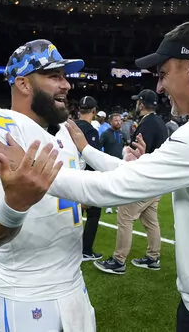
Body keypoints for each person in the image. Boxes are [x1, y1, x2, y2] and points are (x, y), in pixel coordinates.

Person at [0, 19, 189, 332]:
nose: (159, 88)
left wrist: (32, 171)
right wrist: (88, 153)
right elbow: (134, 174)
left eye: (163, 75)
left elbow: (113, 188)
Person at [0, 39, 96, 331]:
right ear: (23, 84)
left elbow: (73, 202)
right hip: (27, 293)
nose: (66, 85)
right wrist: (16, 203)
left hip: (75, 284)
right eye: (54, 76)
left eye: (65, 76)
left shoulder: (65, 134)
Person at [94, 89, 168, 275]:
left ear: (141, 104)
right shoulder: (159, 121)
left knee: (125, 217)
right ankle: (153, 257)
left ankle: (118, 261)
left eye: (138, 102)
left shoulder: (147, 124)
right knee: (150, 220)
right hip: (157, 181)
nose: (136, 104)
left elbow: (135, 156)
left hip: (144, 181)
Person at [75, 96, 103, 261]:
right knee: (93, 213)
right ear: (94, 111)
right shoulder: (90, 130)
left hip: (68, 174)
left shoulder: (69, 127)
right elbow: (93, 159)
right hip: (85, 177)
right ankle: (85, 250)